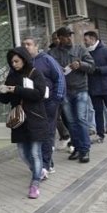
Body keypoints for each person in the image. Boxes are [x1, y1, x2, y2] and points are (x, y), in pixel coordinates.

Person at [0, 47, 48, 199]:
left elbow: (39, 94)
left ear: (24, 59)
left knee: (34, 152)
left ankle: (35, 184)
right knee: (23, 153)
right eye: (11, 62)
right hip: (19, 120)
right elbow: (6, 99)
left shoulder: (35, 73)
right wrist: (0, 92)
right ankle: (39, 171)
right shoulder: (11, 76)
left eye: (16, 61)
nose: (14, 64)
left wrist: (16, 89)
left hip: (35, 117)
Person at [48, 27, 94, 163]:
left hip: (80, 89)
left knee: (80, 119)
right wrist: (57, 71)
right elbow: (47, 71)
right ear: (59, 38)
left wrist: (80, 64)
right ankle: (77, 148)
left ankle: (85, 150)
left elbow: (92, 67)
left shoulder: (80, 49)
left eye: (70, 36)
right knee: (72, 123)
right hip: (64, 91)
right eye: (66, 36)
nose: (69, 38)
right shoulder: (52, 53)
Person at [22, 37, 65, 176]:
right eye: (24, 45)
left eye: (29, 44)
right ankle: (45, 163)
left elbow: (59, 78)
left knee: (47, 133)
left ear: (36, 46)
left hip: (48, 103)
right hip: (32, 105)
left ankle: (45, 165)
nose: (26, 47)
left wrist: (56, 99)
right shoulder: (23, 63)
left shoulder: (47, 60)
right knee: (36, 134)